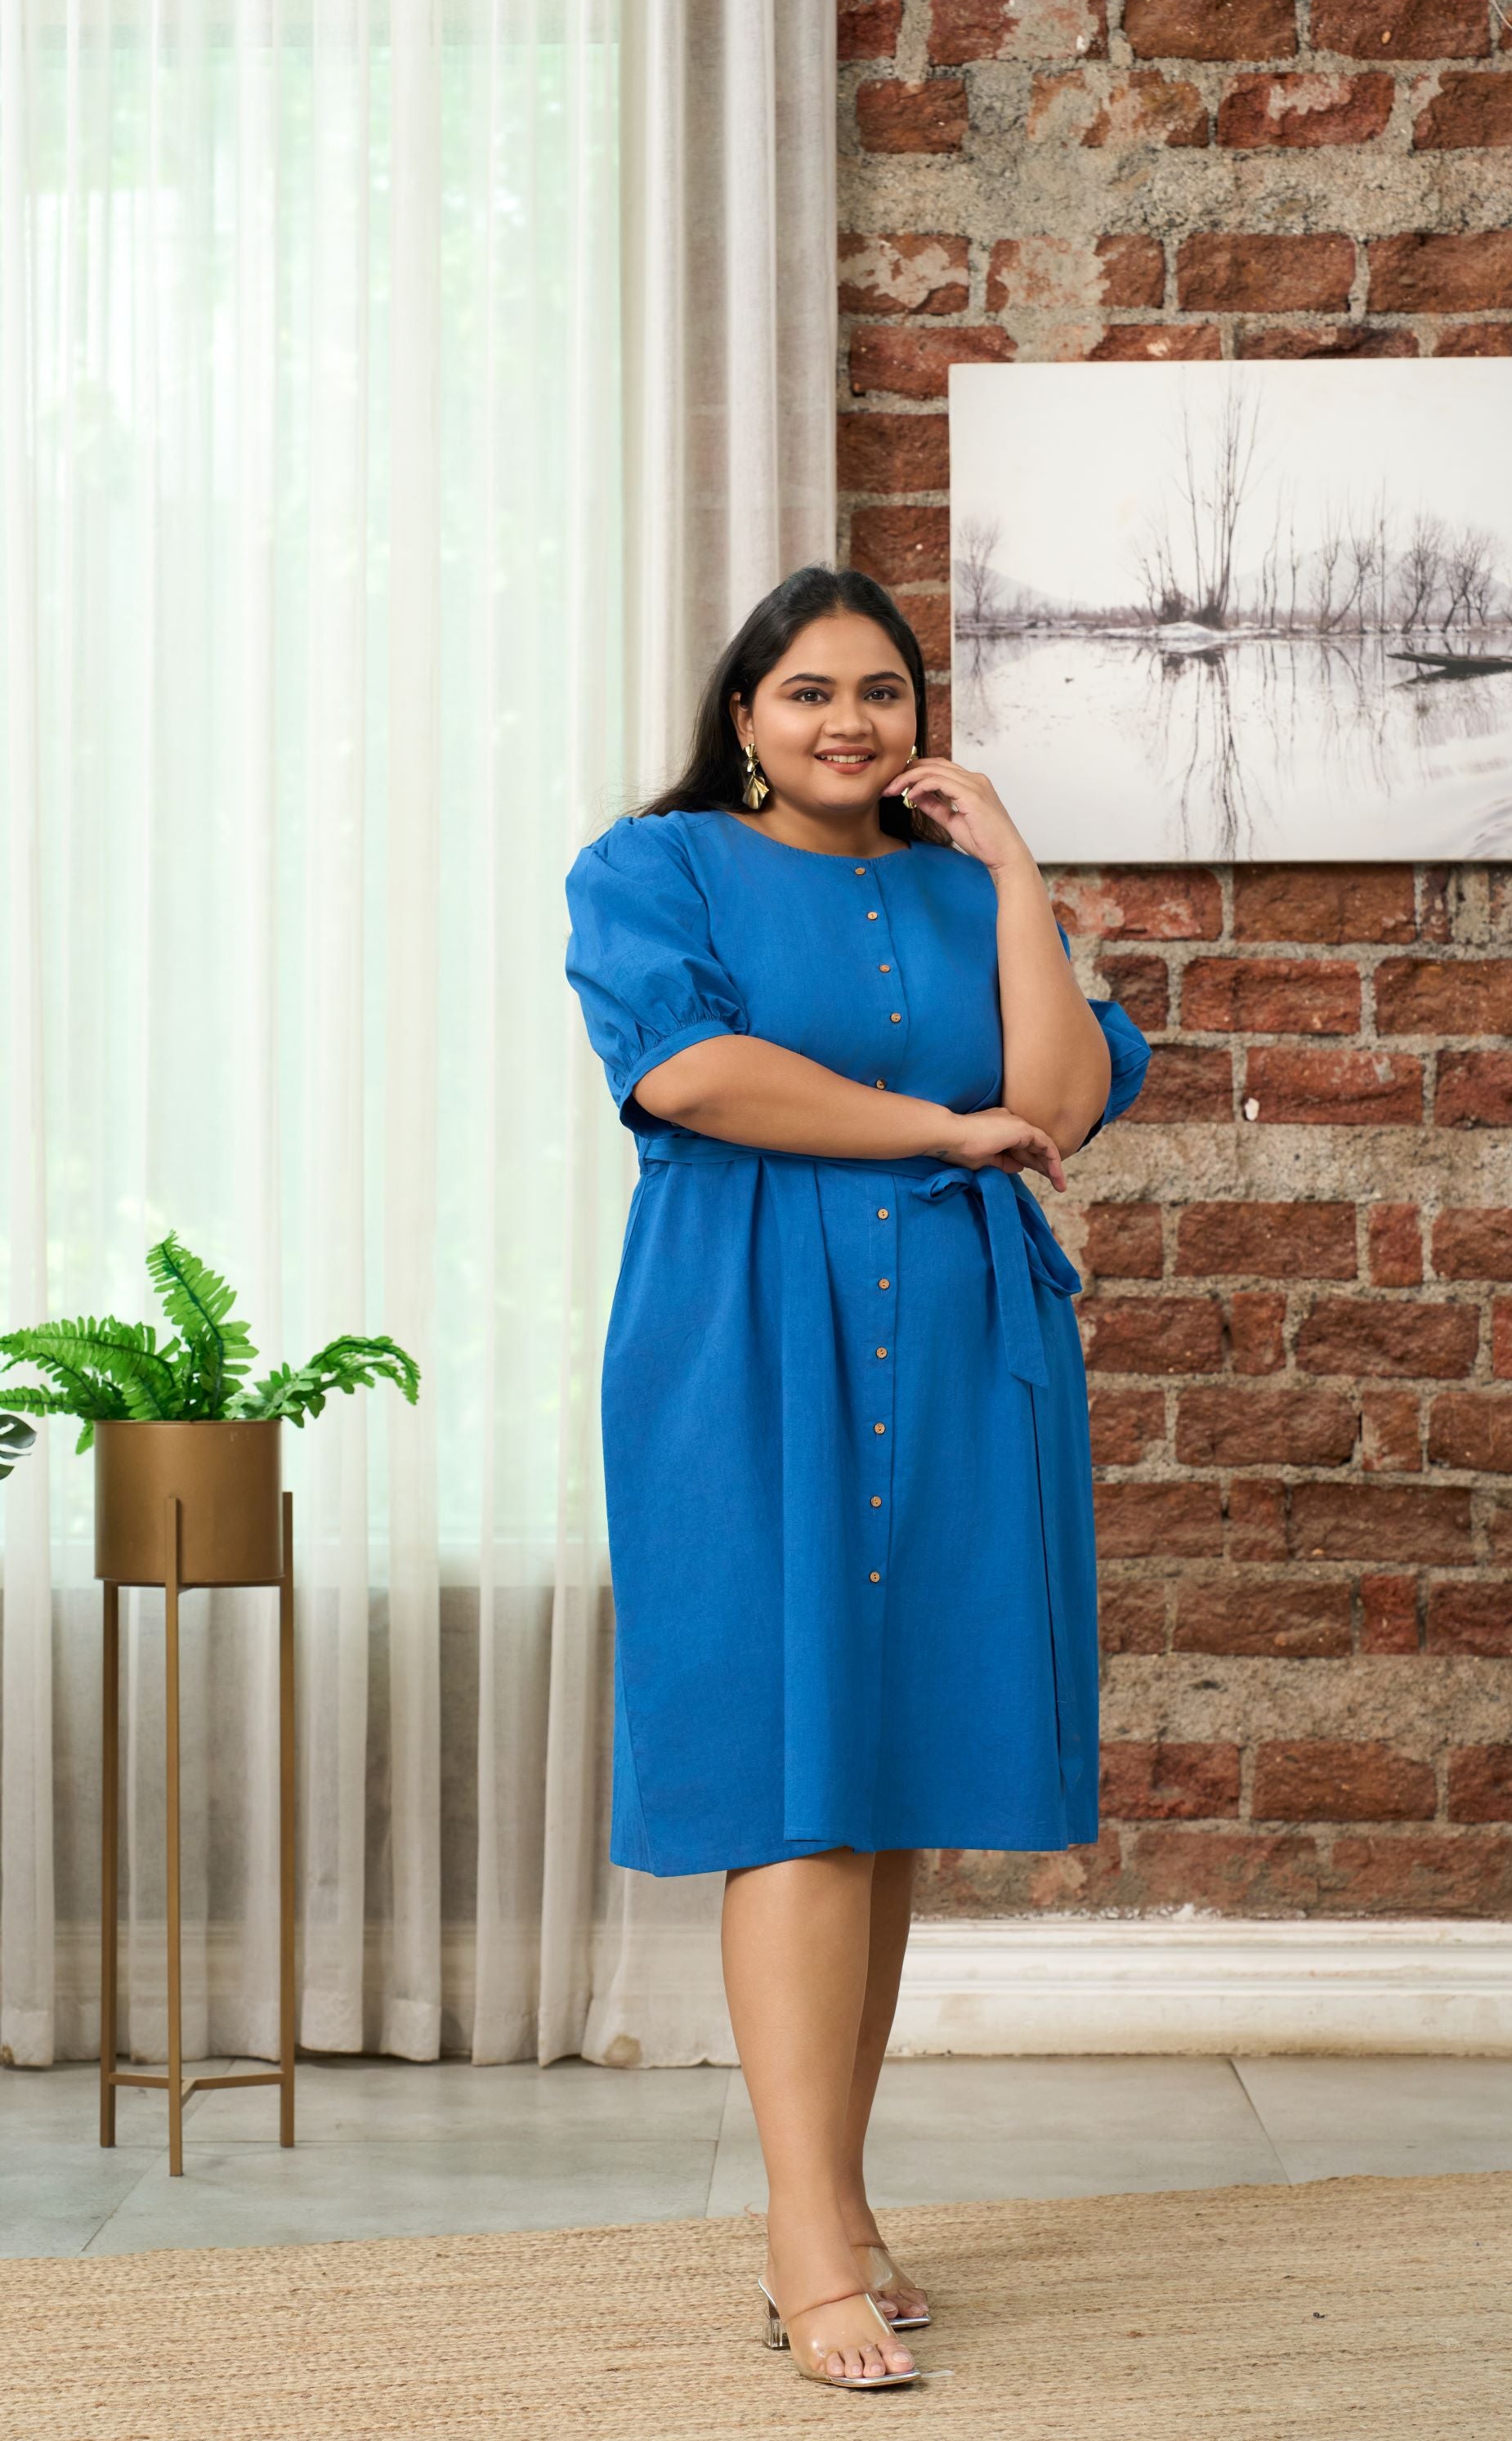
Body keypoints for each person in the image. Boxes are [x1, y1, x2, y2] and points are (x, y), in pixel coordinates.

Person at [563, 564, 1150, 2390]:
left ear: (919, 721)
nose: (847, 722)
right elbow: (693, 1076)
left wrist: (1018, 876)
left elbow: (1054, 1096)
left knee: (881, 1785)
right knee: (798, 1782)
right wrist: (939, 1125)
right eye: (807, 691)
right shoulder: (650, 871)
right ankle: (801, 2239)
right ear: (743, 717)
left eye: (880, 693)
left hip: (965, 1353)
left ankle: (844, 2201)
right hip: (745, 1336)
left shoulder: (961, 890)